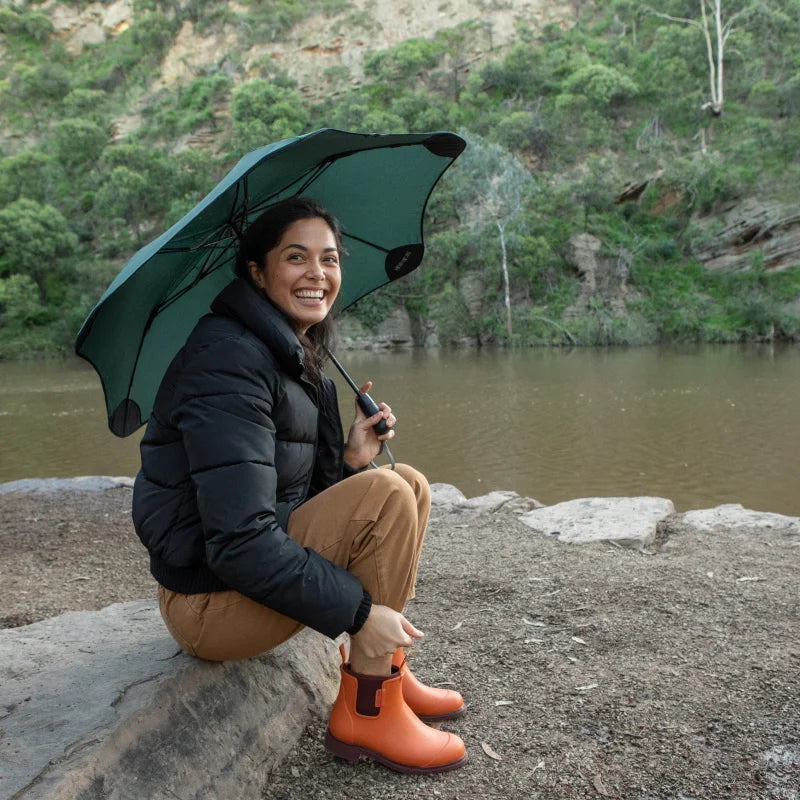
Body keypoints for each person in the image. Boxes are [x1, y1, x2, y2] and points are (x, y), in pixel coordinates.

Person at [131, 196, 467, 774]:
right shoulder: (227, 361)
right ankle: (366, 708)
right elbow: (239, 541)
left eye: (329, 259)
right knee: (387, 496)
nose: (318, 274)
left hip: (238, 578)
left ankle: (389, 674)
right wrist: (361, 615)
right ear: (257, 272)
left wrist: (350, 458)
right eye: (296, 257)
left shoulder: (291, 351)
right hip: (206, 602)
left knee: (404, 481)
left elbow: (295, 502)